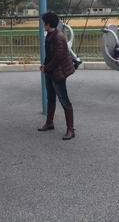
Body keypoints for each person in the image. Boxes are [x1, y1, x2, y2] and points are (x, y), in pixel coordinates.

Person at [38, 11, 76, 140]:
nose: (43, 25)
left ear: (48, 24)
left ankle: (70, 129)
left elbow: (58, 58)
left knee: (64, 99)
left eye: (44, 23)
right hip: (51, 71)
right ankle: (49, 122)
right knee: (51, 97)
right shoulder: (50, 34)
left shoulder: (58, 37)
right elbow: (49, 54)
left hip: (58, 72)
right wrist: (44, 65)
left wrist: (46, 68)